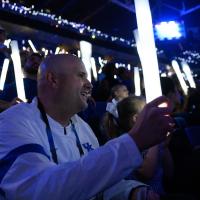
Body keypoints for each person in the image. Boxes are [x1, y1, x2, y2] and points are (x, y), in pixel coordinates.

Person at [0, 54, 174, 200]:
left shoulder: (82, 127)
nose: (90, 84)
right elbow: (40, 190)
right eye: (81, 75)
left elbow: (96, 182)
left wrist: (132, 192)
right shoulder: (14, 122)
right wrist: (134, 142)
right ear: (53, 79)